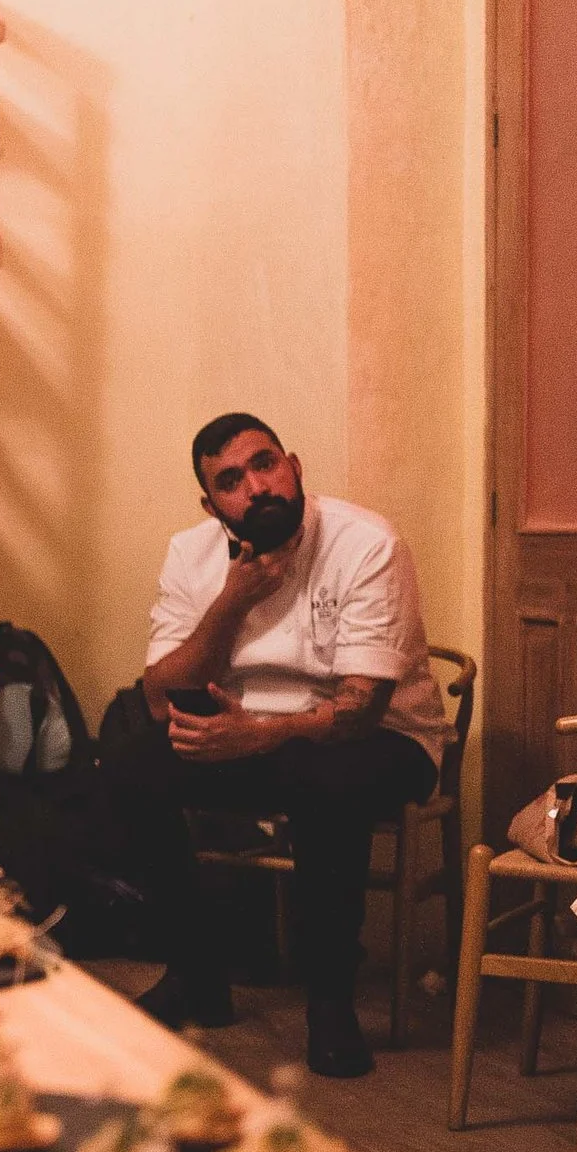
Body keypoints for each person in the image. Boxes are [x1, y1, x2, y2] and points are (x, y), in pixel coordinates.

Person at [105, 411, 446, 1077]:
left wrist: (260, 733)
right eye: (231, 480)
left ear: (294, 467)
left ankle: (330, 1000)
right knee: (131, 761)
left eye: (264, 464)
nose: (256, 487)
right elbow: (160, 695)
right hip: (254, 735)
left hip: (384, 738)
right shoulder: (192, 554)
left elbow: (361, 709)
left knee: (327, 780)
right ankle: (196, 971)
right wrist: (231, 603)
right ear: (212, 506)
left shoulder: (366, 543)